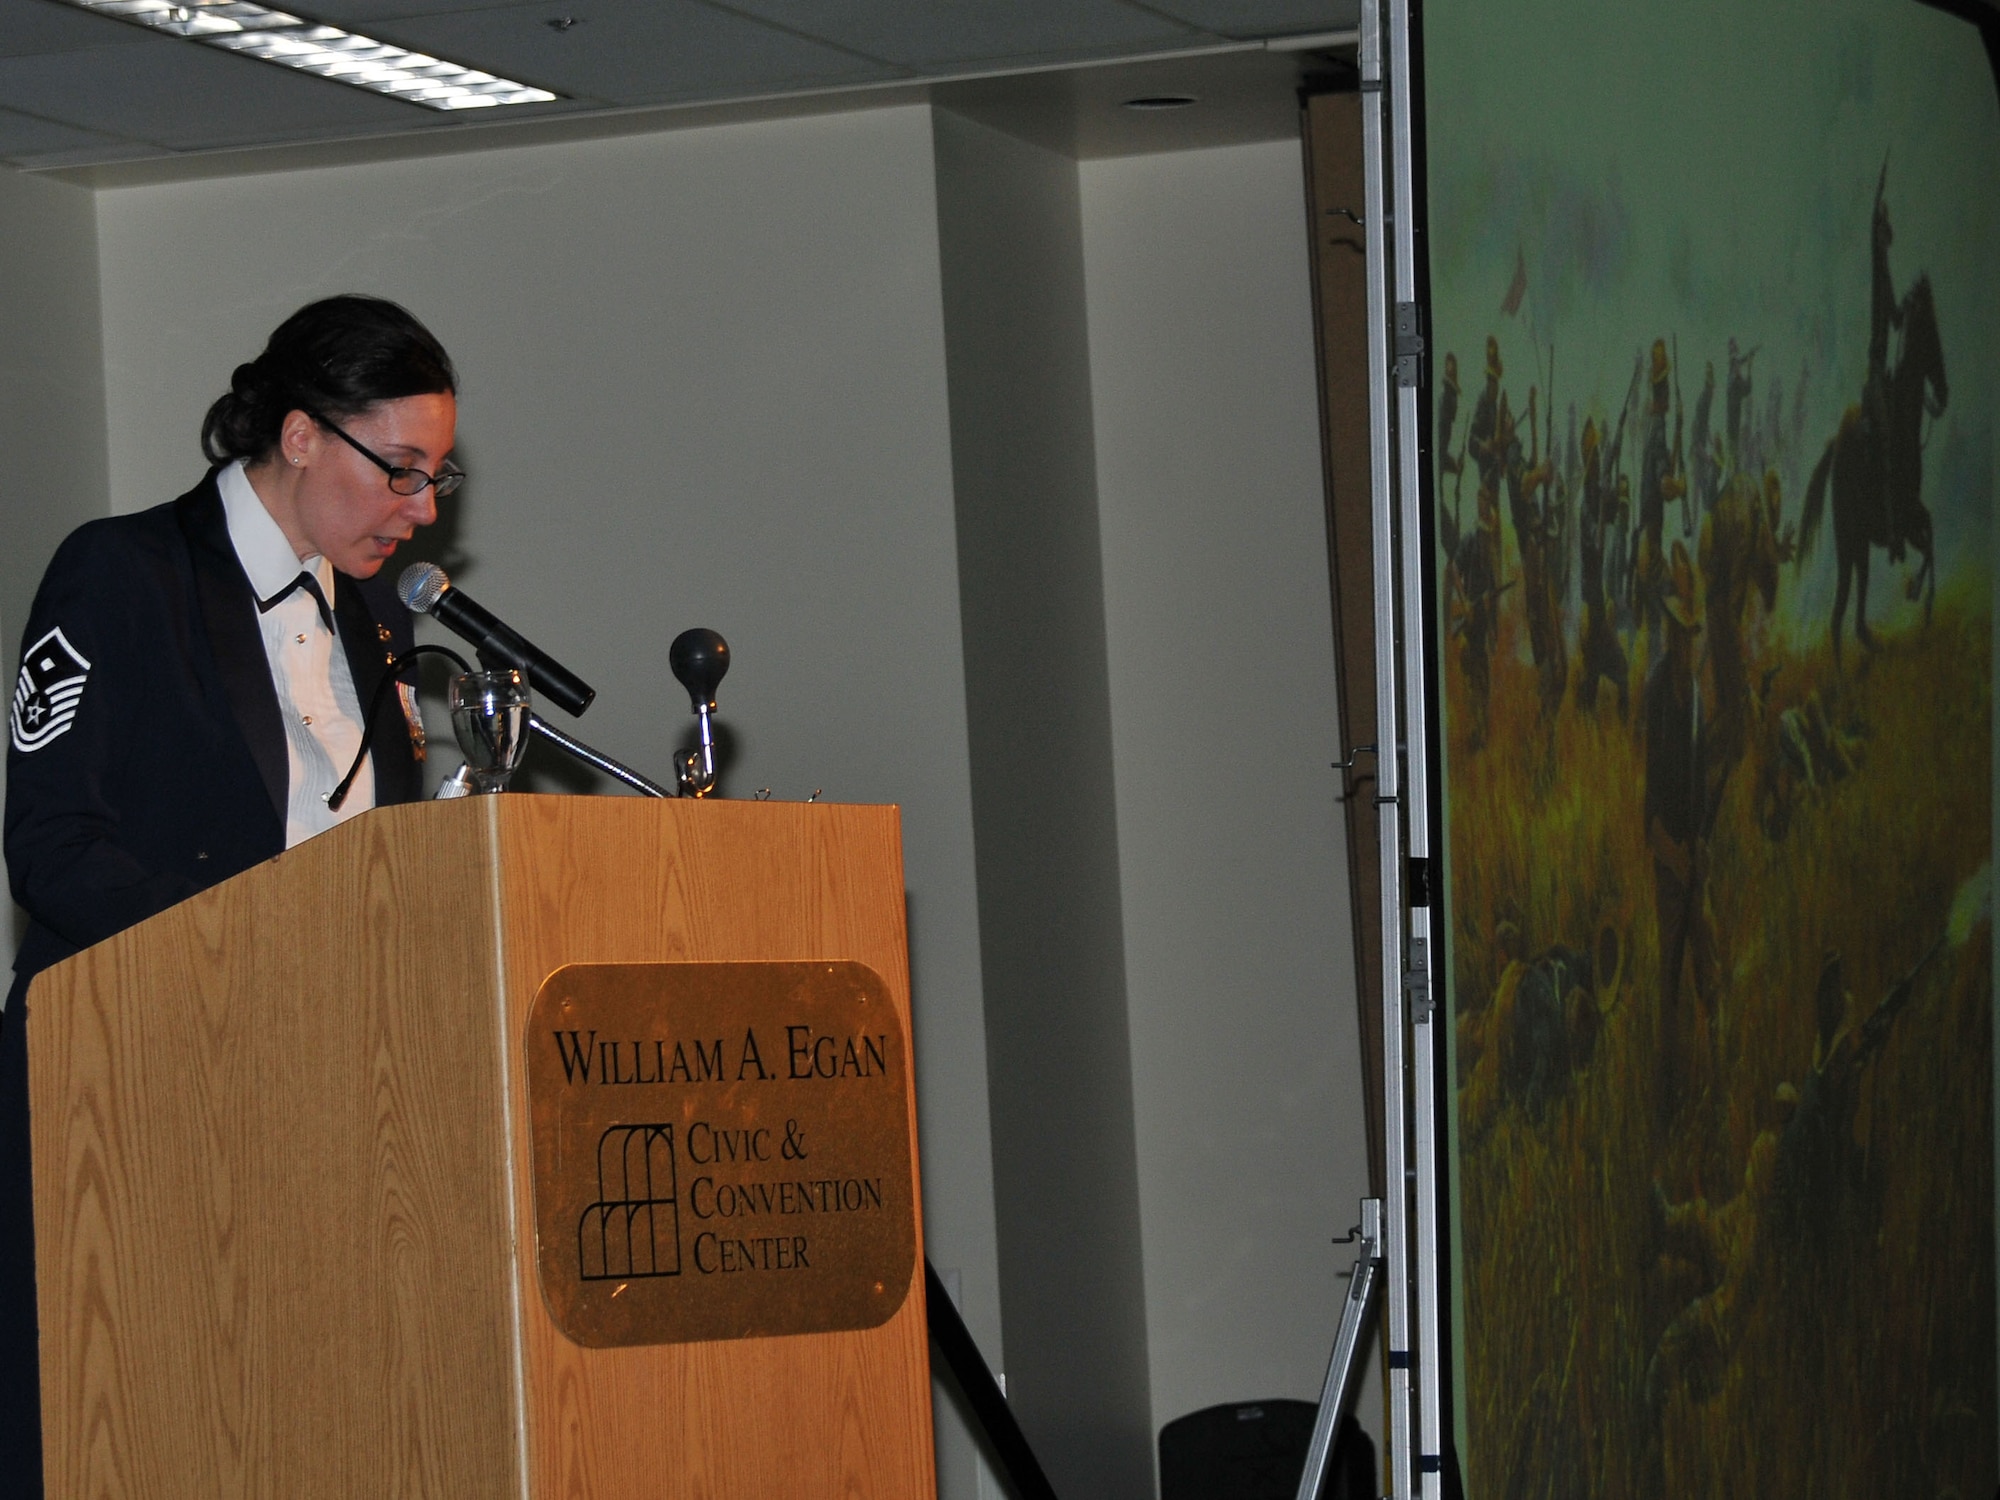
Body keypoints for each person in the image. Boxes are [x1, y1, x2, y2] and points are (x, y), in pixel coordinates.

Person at [1, 294, 461, 1493]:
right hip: (127, 1089)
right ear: (301, 435)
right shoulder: (124, 572)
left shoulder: (367, 622)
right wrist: (255, 953)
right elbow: (52, 847)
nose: (420, 511)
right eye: (401, 471)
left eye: (436, 480)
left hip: (315, 1088)